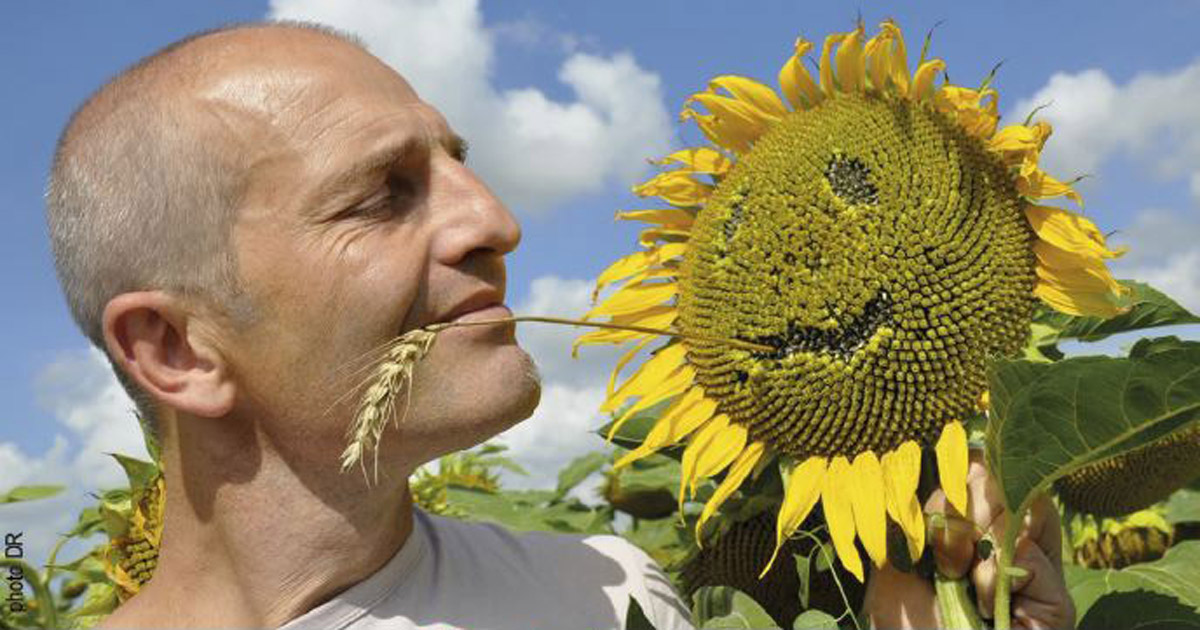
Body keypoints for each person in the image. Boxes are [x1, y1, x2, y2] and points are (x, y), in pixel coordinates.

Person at [45, 20, 1073, 629]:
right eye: (384, 193)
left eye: (457, 161)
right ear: (175, 351)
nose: (496, 220)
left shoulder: (612, 594)